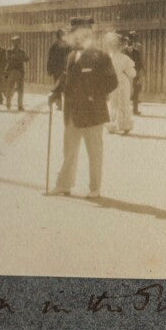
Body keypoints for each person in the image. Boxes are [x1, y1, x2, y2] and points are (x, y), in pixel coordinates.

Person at [48, 17, 118, 199]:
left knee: (94, 152)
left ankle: (95, 188)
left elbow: (112, 81)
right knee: (69, 150)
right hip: (72, 111)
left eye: (76, 34)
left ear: (86, 34)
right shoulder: (71, 56)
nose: (74, 38)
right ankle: (64, 185)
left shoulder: (100, 56)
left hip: (92, 112)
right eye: (73, 34)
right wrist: (55, 92)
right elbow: (65, 77)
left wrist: (94, 94)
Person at [104, 33, 136, 135]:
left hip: (111, 81)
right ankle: (125, 125)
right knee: (124, 102)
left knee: (113, 102)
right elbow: (132, 73)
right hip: (122, 81)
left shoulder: (107, 58)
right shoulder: (124, 58)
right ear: (121, 46)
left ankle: (112, 125)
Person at [46, 29, 70, 110]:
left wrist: (49, 69)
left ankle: (59, 104)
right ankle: (64, 104)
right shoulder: (66, 44)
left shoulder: (54, 45)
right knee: (65, 86)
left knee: (57, 86)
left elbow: (50, 58)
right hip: (65, 68)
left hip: (57, 69)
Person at [5, 36, 30, 111]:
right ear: (12, 43)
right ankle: (8, 103)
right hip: (12, 71)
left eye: (17, 42)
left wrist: (20, 58)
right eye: (14, 42)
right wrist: (20, 58)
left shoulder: (22, 51)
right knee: (10, 88)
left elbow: (27, 59)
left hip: (20, 71)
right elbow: (8, 59)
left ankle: (20, 105)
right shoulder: (9, 51)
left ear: (19, 43)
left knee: (20, 89)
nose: (16, 44)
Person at [125, 31, 144, 115]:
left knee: (136, 89)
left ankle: (135, 110)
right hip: (125, 74)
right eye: (131, 38)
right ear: (128, 39)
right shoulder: (123, 51)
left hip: (134, 73)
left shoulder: (137, 52)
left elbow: (139, 63)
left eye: (134, 39)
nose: (132, 41)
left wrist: (139, 73)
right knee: (126, 91)